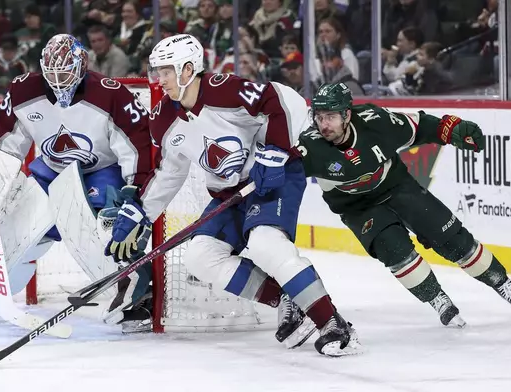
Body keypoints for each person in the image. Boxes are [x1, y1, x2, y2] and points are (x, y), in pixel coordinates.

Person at [104, 34, 359, 357]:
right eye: (157, 71)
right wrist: (138, 211)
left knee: (266, 244)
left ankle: (333, 323)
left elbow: (282, 100)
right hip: (229, 194)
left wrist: (275, 152)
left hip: (270, 179)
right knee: (201, 257)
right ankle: (285, 297)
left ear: (187, 70)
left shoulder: (224, 90)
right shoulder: (163, 120)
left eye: (166, 71)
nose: (159, 79)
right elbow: (168, 173)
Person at [0, 34, 154, 330]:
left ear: (81, 67)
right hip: (49, 172)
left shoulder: (111, 94)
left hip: (101, 171)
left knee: (101, 227)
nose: (58, 81)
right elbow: (5, 141)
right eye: (51, 74)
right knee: (14, 232)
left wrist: (133, 193)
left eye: (65, 73)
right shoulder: (23, 89)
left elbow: (136, 148)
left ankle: (136, 293)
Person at [295, 82, 511, 327]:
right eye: (319, 117)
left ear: (347, 114)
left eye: (331, 117)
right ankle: (437, 298)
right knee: (394, 249)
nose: (324, 125)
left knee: (451, 237)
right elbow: (283, 174)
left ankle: (504, 284)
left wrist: (450, 130)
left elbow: (418, 126)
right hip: (358, 208)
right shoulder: (309, 146)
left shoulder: (375, 121)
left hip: (397, 187)